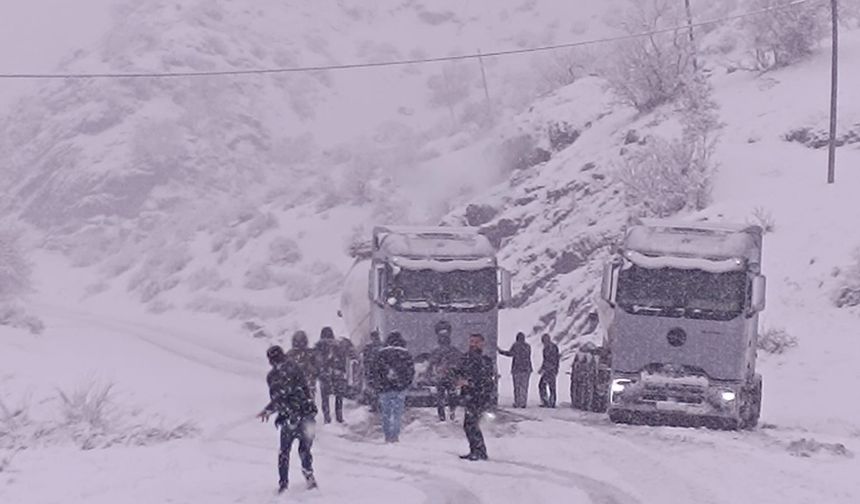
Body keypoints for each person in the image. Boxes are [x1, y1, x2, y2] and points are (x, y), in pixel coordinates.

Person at [257, 345, 318, 493]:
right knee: (304, 449)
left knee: (285, 452)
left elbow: (278, 398)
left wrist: (270, 409)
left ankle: (284, 483)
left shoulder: (273, 376)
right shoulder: (294, 368)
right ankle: (308, 476)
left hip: (289, 417)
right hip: (304, 415)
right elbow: (302, 392)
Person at [451, 333, 495, 461]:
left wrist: (469, 382)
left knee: (471, 424)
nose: (473, 344)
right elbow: (458, 371)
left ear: (482, 343)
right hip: (469, 395)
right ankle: (476, 450)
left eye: (476, 342)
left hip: (479, 396)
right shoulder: (466, 358)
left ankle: (479, 451)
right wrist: (454, 376)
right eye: (471, 342)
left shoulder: (485, 361)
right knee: (470, 424)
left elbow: (485, 379)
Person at [369, 332, 415, 443]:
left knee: (386, 413)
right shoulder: (405, 354)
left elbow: (374, 371)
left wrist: (377, 385)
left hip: (384, 388)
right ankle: (395, 436)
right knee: (397, 413)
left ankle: (387, 436)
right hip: (400, 388)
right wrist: (406, 384)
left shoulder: (381, 353)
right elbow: (411, 372)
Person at [428, 321, 463, 421]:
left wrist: (430, 373)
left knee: (440, 397)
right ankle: (452, 412)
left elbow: (431, 363)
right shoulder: (454, 350)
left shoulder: (436, 351)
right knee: (452, 396)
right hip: (451, 376)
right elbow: (460, 362)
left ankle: (442, 415)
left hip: (440, 377)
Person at [315, 327, 348, 423]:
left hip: (324, 375)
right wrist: (342, 370)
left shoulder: (319, 346)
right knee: (339, 397)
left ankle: (327, 417)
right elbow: (343, 359)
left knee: (325, 398)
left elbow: (316, 361)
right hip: (338, 374)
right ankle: (339, 417)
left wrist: (319, 372)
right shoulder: (338, 345)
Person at [498, 332, 532, 408]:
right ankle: (523, 402)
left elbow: (510, 354)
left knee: (517, 387)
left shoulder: (516, 346)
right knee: (524, 387)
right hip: (527, 369)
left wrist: (501, 351)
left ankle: (517, 402)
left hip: (517, 369)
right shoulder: (528, 346)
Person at [286, 330, 318, 400]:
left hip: (296, 385)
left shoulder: (289, 354)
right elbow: (317, 369)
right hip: (306, 384)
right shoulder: (311, 353)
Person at [361, 331, 384, 412]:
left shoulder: (369, 347)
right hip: (380, 370)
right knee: (380, 388)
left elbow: (365, 359)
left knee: (373, 388)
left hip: (372, 370)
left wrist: (366, 369)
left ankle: (374, 405)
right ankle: (379, 404)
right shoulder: (383, 345)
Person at [538, 333, 560, 408]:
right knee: (547, 385)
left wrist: (554, 368)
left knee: (546, 385)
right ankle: (549, 401)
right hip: (550, 369)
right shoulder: (548, 348)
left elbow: (555, 359)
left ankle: (549, 401)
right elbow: (546, 360)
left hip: (550, 370)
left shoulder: (551, 348)